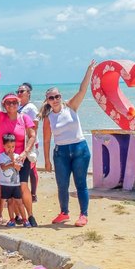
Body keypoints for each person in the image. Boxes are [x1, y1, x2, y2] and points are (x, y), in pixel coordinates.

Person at [41, 60, 96, 227]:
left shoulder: (71, 107)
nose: (55, 99)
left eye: (57, 96)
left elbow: (82, 90)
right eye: (52, 98)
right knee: (62, 185)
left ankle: (83, 215)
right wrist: (47, 160)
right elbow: (46, 140)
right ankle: (64, 213)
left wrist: (89, 71)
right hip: (61, 154)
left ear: (61, 97)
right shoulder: (48, 118)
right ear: (48, 100)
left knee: (81, 183)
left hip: (80, 150)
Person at [0, 89, 37, 226]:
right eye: (8, 102)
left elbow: (32, 135)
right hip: (4, 159)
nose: (12, 105)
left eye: (14, 102)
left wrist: (25, 152)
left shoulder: (24, 118)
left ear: (19, 103)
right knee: (9, 189)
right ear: (4, 104)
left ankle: (30, 216)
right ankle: (16, 217)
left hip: (21, 158)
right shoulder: (0, 117)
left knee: (23, 186)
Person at [17, 82, 40, 202]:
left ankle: (34, 194)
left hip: (30, 142)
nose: (19, 93)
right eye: (18, 91)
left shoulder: (30, 108)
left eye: (22, 91)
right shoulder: (20, 107)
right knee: (27, 167)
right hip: (22, 141)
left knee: (32, 167)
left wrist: (31, 142)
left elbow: (35, 125)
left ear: (28, 94)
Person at [0, 134, 27, 227]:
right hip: (5, 184)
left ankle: (25, 219)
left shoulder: (17, 156)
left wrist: (13, 160)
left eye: (13, 146)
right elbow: (3, 167)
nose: (11, 149)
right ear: (4, 146)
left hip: (15, 184)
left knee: (19, 202)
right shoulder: (1, 156)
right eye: (8, 147)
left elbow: (18, 168)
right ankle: (12, 219)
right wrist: (12, 163)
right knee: (10, 202)